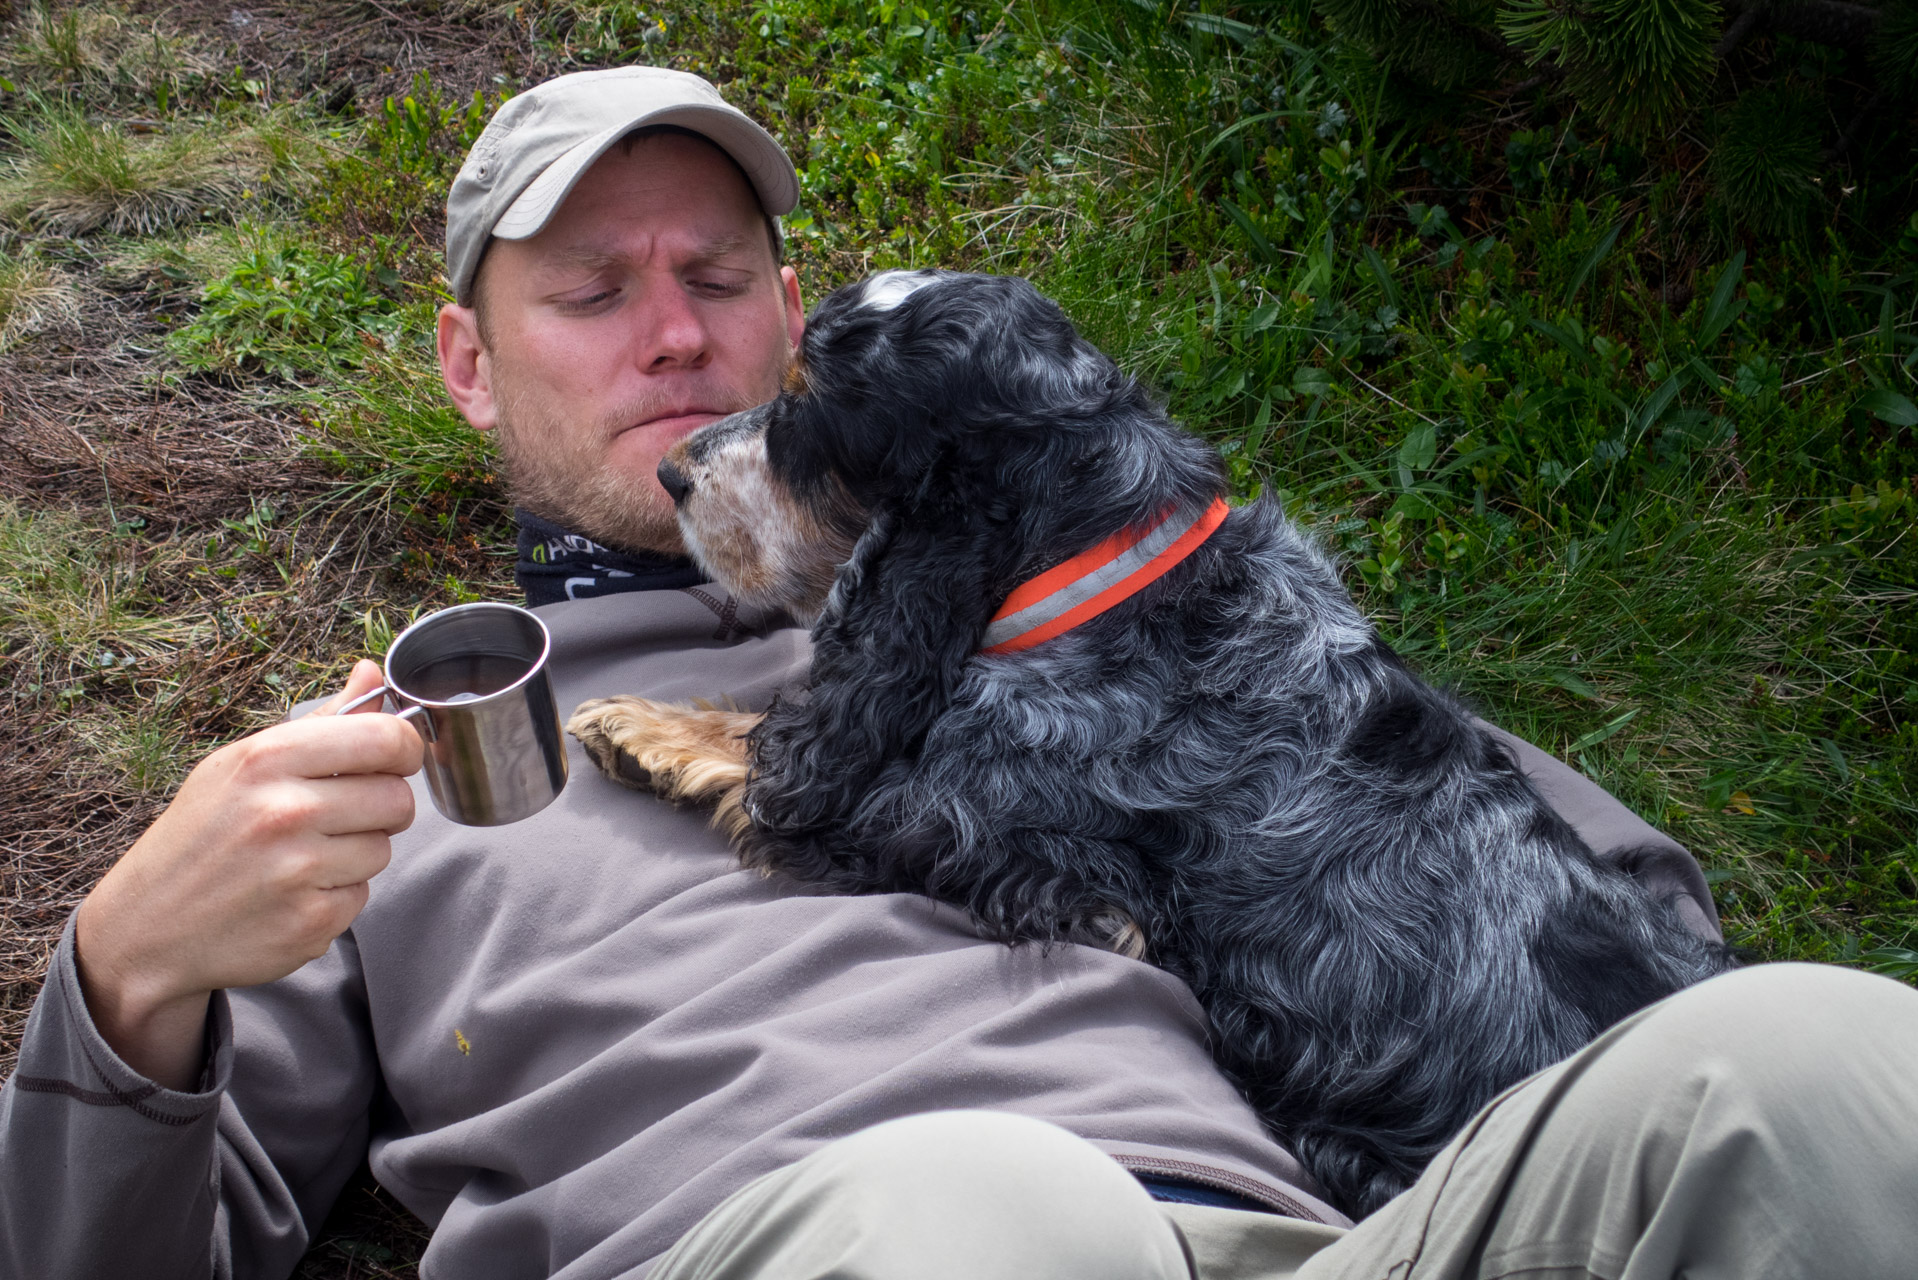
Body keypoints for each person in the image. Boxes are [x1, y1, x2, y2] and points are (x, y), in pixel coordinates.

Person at [1, 66, 1913, 1280]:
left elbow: (1594, 903)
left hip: (1348, 1235)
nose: (673, 340)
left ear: (798, 324)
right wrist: (130, 973)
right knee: (991, 1221)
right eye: (588, 293)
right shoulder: (361, 783)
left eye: (721, 279)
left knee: (1826, 1056)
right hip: (870, 1237)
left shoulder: (1101, 576)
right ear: (467, 368)